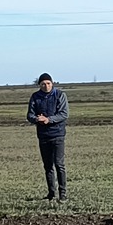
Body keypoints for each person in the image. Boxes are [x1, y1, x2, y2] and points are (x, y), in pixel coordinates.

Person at [27, 72, 69, 200]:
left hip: (57, 134)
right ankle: (51, 193)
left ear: (52, 83)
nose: (46, 86)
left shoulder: (60, 95)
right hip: (43, 136)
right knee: (48, 166)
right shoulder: (35, 97)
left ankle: (63, 194)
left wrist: (48, 120)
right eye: (43, 84)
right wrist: (37, 119)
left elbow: (64, 114)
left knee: (59, 164)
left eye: (48, 83)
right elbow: (29, 115)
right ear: (39, 85)